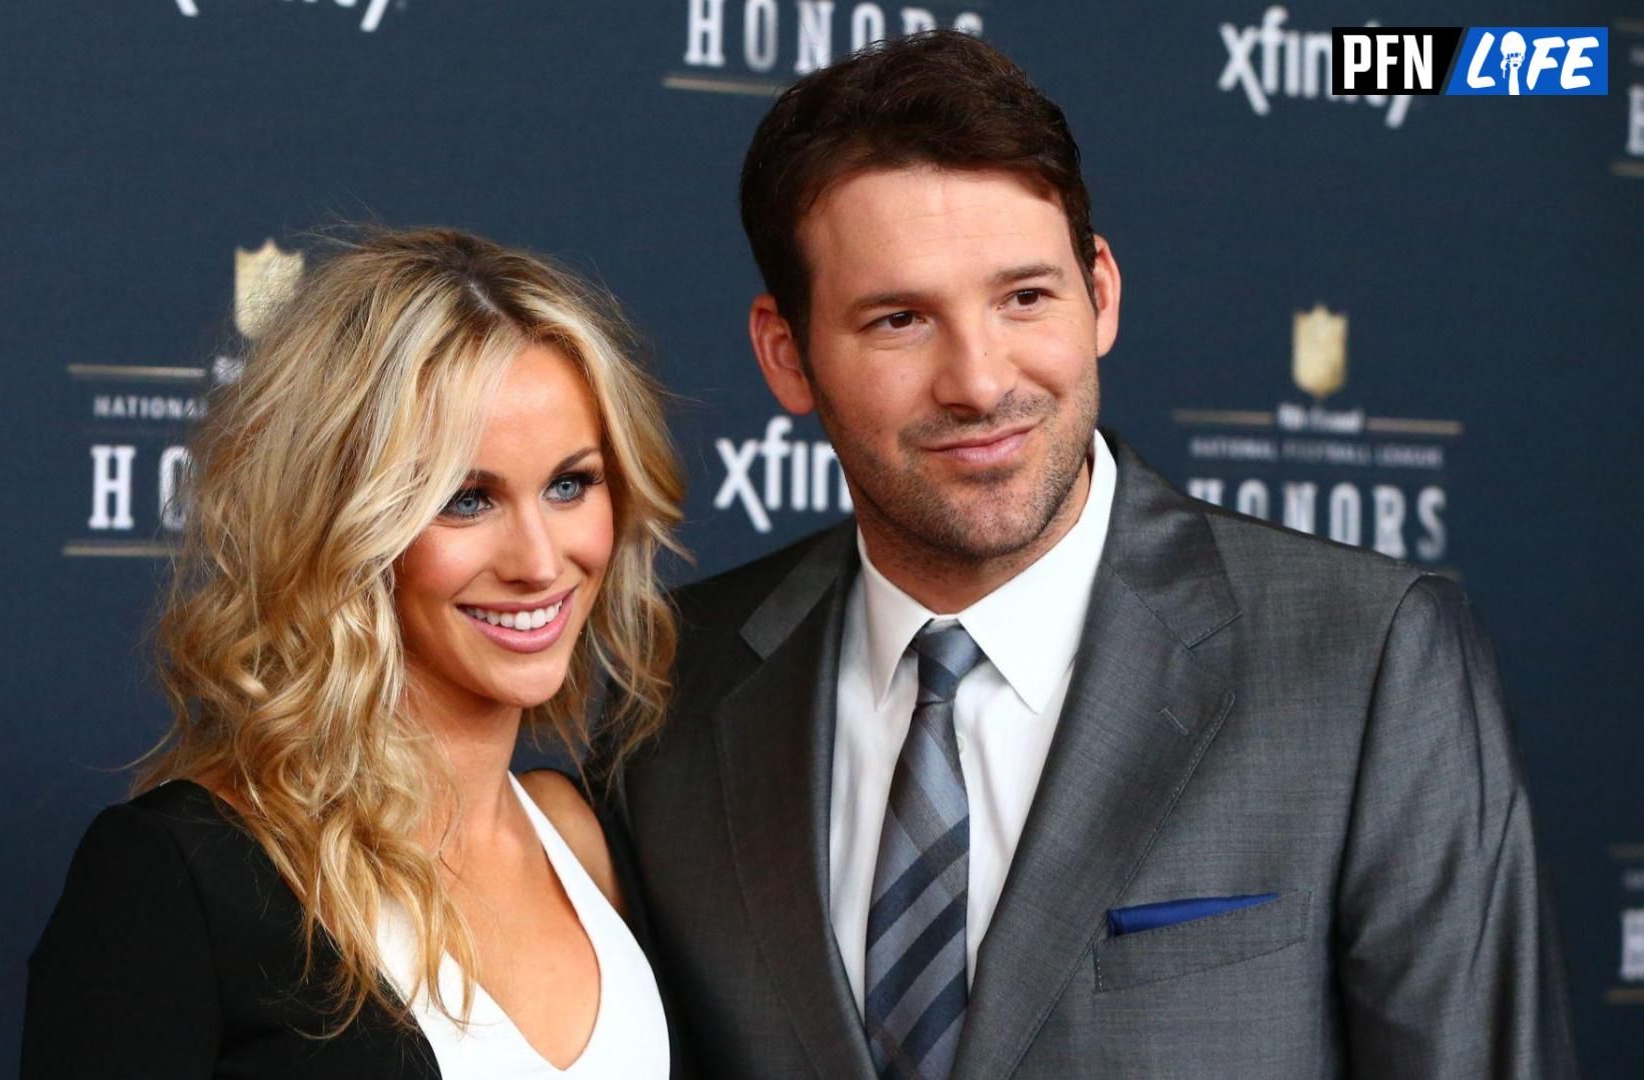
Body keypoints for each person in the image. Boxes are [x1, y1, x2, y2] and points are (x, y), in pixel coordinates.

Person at [596, 31, 1578, 1079]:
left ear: (1099, 294)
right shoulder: (672, 685)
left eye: (1025, 297)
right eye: (899, 319)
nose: (978, 380)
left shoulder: (1368, 659)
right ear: (786, 354)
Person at [22, 228, 684, 1078]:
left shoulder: (581, 836)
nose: (540, 562)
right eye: (466, 498)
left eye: (569, 484)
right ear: (347, 524)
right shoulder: (180, 876)